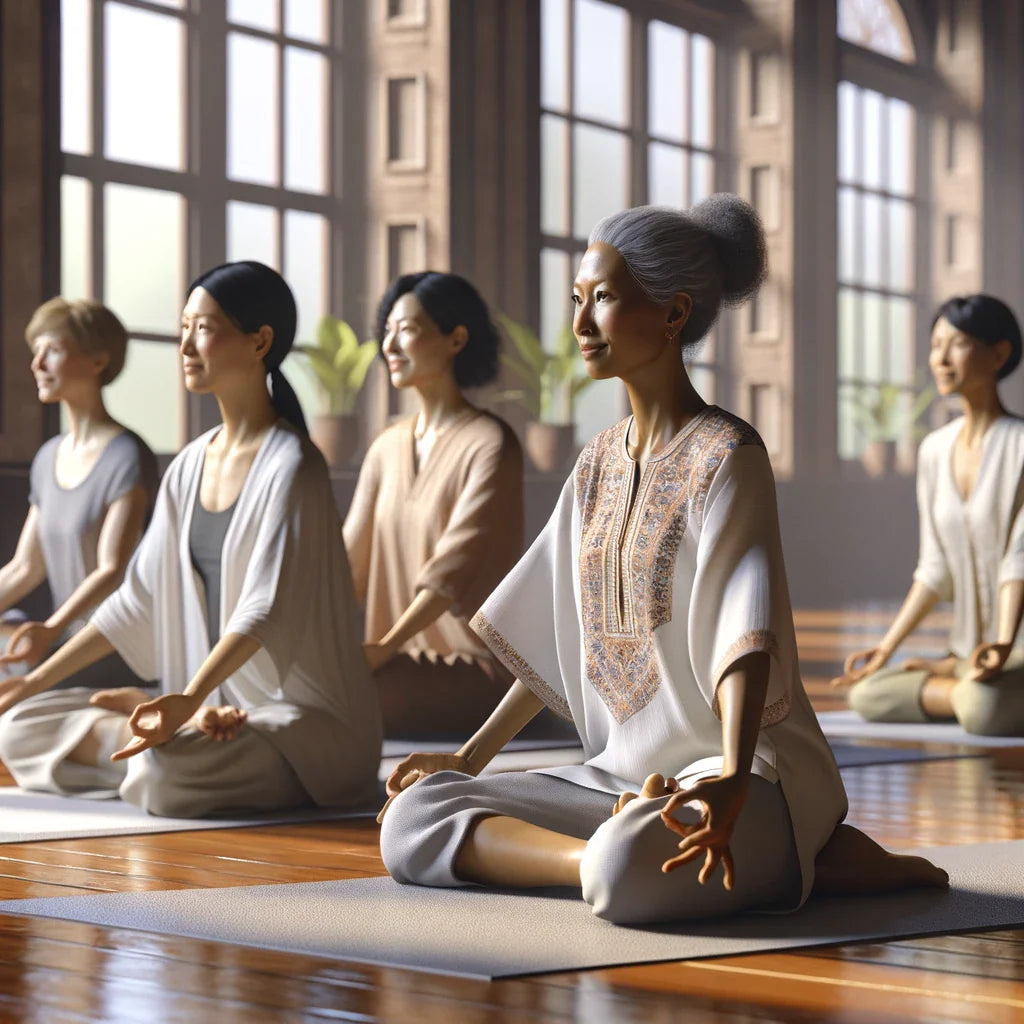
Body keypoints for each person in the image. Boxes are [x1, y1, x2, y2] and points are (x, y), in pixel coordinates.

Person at [376, 197, 947, 925]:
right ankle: (601, 861)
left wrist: (733, 778)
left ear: (674, 313)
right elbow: (554, 641)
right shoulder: (593, 467)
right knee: (413, 816)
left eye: (603, 299)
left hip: (737, 779)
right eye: (577, 300)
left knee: (630, 864)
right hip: (614, 783)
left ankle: (797, 848)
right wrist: (468, 760)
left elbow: (747, 638)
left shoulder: (729, 455)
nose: (581, 325)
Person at [0, 262, 381, 815]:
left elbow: (264, 611)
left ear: (260, 342)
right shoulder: (188, 465)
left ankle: (142, 741)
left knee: (164, 773)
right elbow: (134, 602)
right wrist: (32, 683)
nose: (184, 345)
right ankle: (153, 734)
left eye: (202, 328)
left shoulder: (292, 464)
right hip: (205, 708)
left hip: (297, 723)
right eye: (183, 328)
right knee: (17, 725)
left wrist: (187, 698)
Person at [343, 271, 530, 738]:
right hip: (389, 662)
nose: (389, 345)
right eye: (386, 330)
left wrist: (383, 648)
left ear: (456, 339)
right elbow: (347, 567)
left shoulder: (490, 443)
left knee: (339, 693)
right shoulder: (386, 447)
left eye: (406, 329)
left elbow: (450, 574)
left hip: (471, 670)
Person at [833, 295, 1024, 736]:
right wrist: (886, 649)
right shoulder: (935, 450)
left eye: (956, 344)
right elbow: (934, 570)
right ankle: (960, 682)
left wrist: (1003, 643)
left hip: (1014, 652)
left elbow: (1019, 559)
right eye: (935, 345)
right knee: (866, 692)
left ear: (999, 353)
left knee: (983, 709)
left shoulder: (1019, 445)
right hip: (969, 655)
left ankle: (965, 687)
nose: (940, 358)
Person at [0, 298, 158, 695]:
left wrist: (52, 628)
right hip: (56, 638)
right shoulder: (48, 456)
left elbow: (111, 569)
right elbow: (25, 567)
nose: (37, 364)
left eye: (52, 350)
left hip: (107, 646)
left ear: (98, 361)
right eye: (36, 351)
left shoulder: (127, 455)